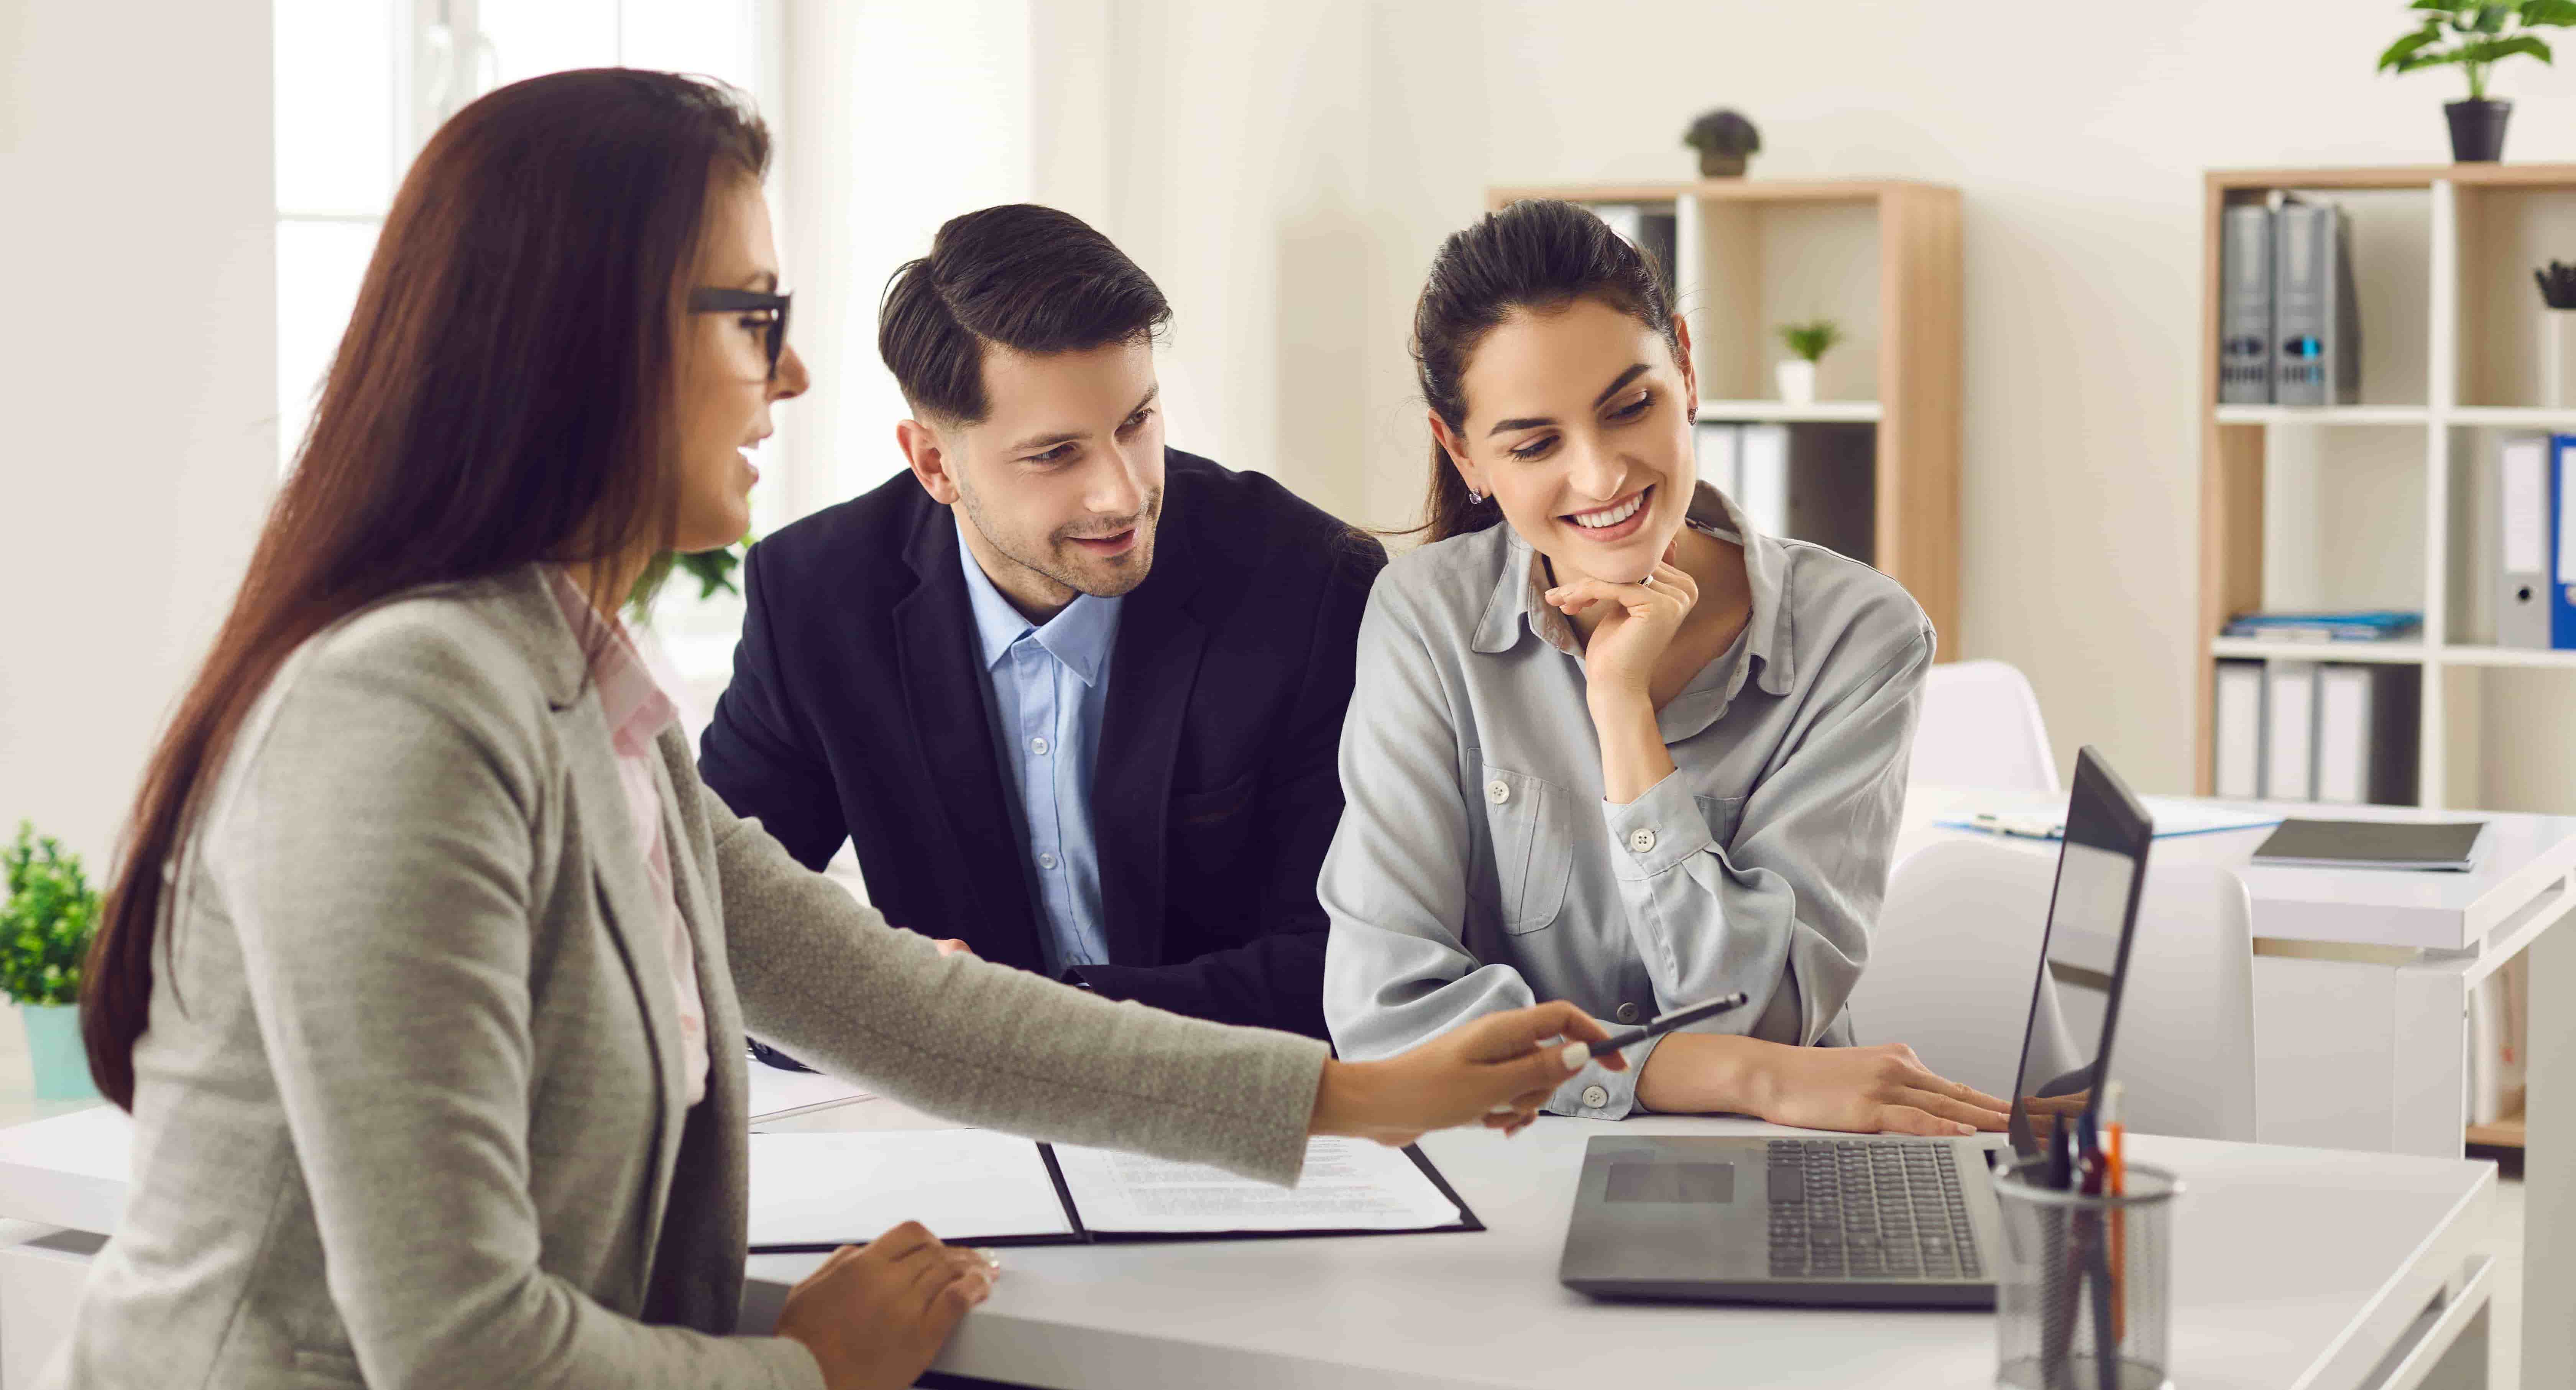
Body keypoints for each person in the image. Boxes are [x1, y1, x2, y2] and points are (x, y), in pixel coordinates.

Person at [54, 74, 1617, 1390]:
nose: (788, 374)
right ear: (582, 345)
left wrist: (1361, 1094)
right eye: (752, 317)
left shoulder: (570, 677)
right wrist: (802, 1368)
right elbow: (460, 1347)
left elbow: (904, 1005)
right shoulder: (399, 709)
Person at [1322, 199, 2010, 1136]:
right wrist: (1740, 1075)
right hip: (1507, 1168)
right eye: (1534, 444)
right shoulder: (1424, 619)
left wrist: (1622, 716)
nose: (1603, 476)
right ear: (1464, 453)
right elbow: (1387, 1020)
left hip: (1775, 1160)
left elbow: (1767, 1015)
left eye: (1630, 407)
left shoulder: (1861, 633)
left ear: (1684, 367)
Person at [698, 204, 1381, 1041]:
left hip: (1244, 1119)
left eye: (1137, 423)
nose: (1124, 492)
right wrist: (883, 1002)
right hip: (959, 1135)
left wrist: (1004, 1023)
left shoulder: (1308, 581)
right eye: (1056, 454)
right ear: (934, 463)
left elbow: (1350, 964)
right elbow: (705, 931)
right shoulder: (815, 599)